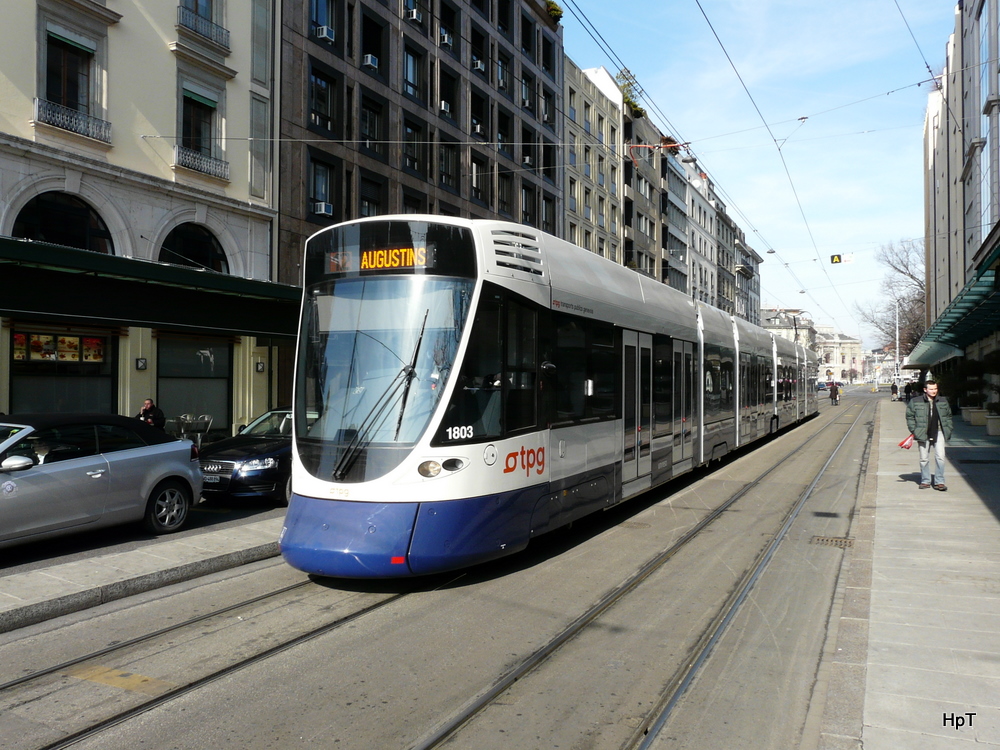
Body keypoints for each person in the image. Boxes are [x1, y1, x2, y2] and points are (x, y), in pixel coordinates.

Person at [905, 379, 953, 491]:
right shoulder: (915, 401)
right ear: (925, 390)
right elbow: (910, 416)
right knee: (924, 458)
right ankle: (925, 481)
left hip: (939, 431)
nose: (934, 391)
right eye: (931, 389)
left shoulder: (943, 401)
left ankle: (939, 482)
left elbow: (949, 416)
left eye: (935, 389)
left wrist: (949, 429)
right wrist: (914, 430)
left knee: (940, 457)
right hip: (923, 432)